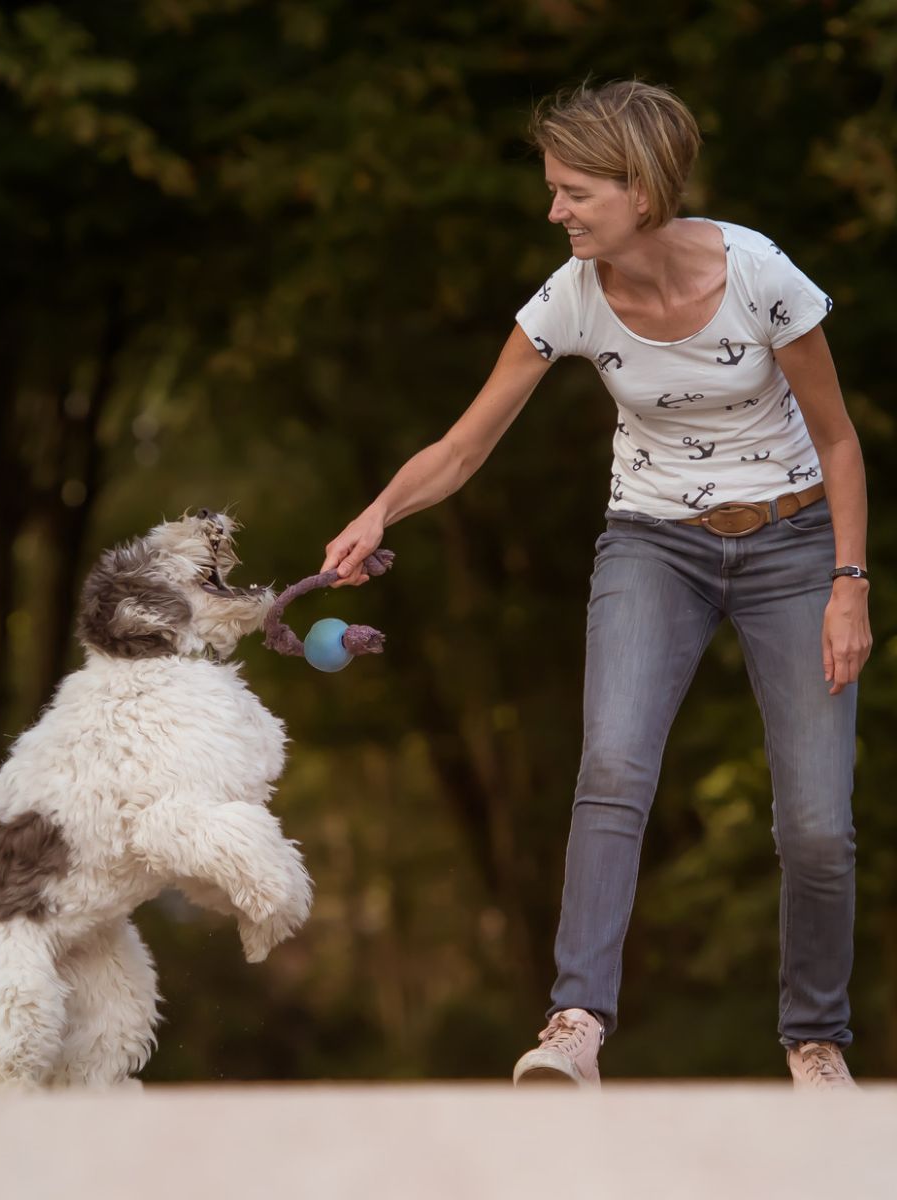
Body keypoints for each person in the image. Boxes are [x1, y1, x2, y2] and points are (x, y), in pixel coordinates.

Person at [319, 80, 871, 1090]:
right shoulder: (568, 299)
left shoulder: (761, 276)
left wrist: (849, 582)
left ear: (643, 189)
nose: (555, 211)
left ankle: (815, 1040)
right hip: (652, 545)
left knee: (818, 822)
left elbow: (838, 439)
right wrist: (379, 513)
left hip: (795, 547)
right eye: (554, 190)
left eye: (575, 192)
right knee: (613, 765)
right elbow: (463, 444)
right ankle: (575, 1023)